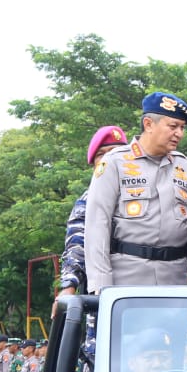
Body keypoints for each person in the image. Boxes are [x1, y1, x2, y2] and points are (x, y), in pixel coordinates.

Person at [83, 92, 187, 290]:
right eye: (173, 126)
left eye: (182, 128)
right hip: (128, 277)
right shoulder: (115, 163)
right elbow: (97, 225)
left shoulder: (185, 166)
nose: (179, 133)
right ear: (148, 124)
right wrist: (101, 286)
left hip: (175, 277)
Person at [59, 126, 128, 305]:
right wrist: (69, 285)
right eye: (102, 154)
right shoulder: (88, 200)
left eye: (115, 153)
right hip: (107, 293)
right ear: (94, 164)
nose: (109, 159)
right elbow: (77, 245)